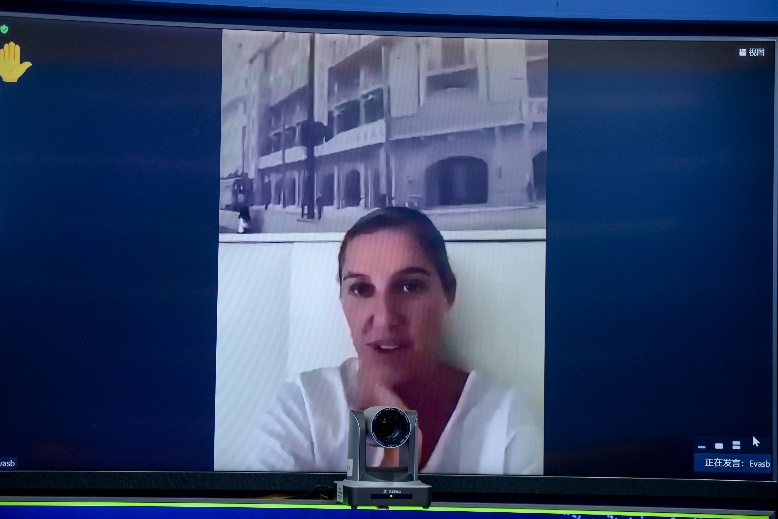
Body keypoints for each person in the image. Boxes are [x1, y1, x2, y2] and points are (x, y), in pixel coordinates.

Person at [253, 207, 541, 474]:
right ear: (341, 299)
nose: (384, 318)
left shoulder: (504, 421)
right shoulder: (303, 406)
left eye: (409, 286)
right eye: (361, 289)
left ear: (448, 292)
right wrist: (395, 458)